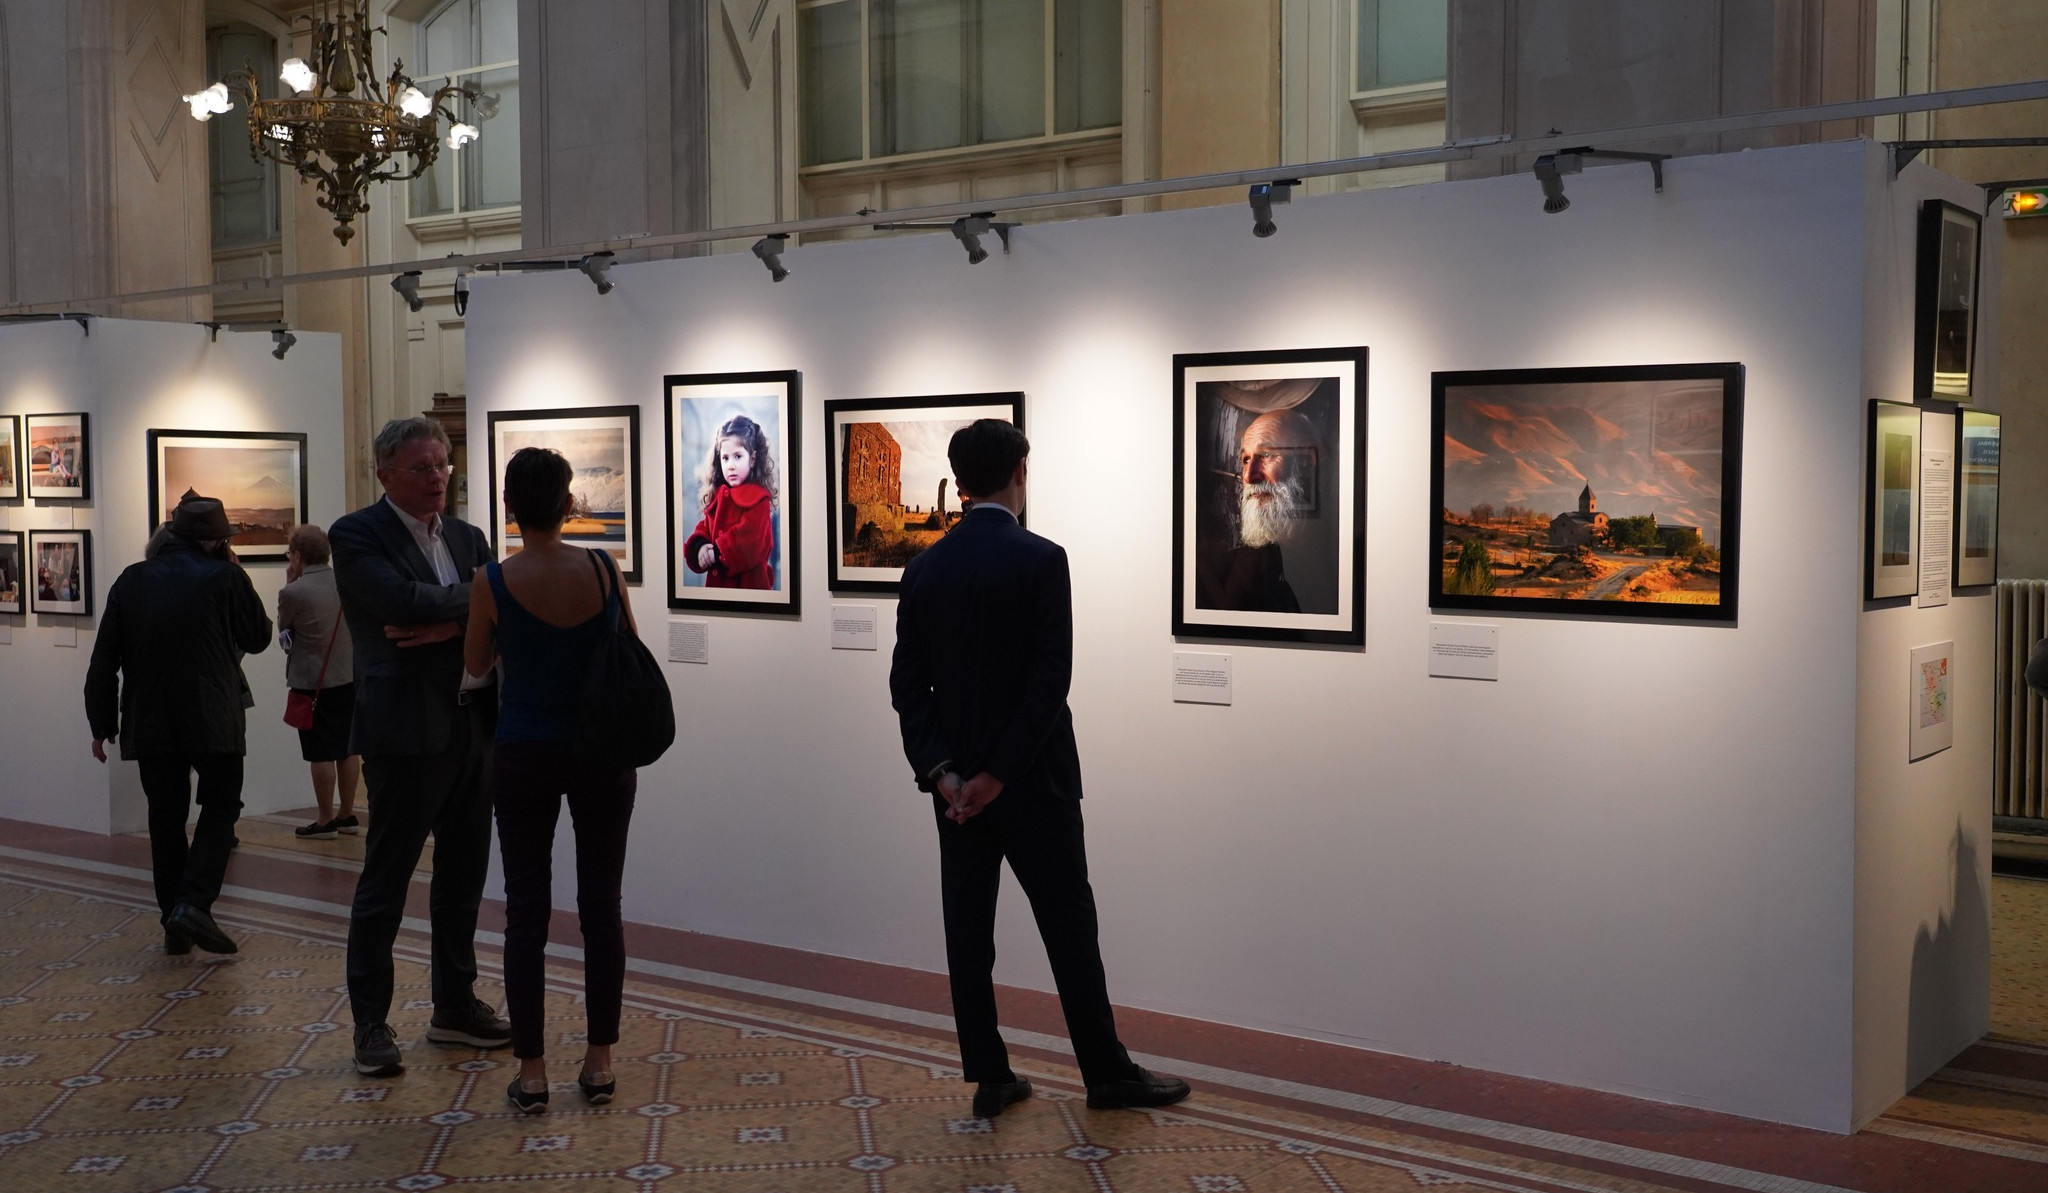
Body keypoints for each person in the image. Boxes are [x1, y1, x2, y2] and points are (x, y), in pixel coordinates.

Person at [889, 419, 1191, 1119]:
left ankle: (990, 1074)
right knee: (1068, 926)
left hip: (957, 794)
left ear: (959, 482)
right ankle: (1105, 1072)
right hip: (1036, 782)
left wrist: (945, 774)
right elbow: (1049, 681)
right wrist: (999, 773)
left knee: (968, 930)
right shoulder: (1042, 559)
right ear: (1020, 472)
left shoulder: (925, 568)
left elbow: (909, 687)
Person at [331, 417, 511, 1077]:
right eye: (422, 468)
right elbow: (400, 601)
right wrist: (472, 605)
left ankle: (454, 1005)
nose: (438, 478)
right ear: (386, 474)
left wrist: (448, 625)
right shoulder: (356, 534)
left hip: (472, 725)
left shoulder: (467, 536)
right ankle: (370, 1023)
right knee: (386, 881)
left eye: (442, 465)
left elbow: (502, 613)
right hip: (405, 732)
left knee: (463, 877)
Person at [464, 446, 639, 1114]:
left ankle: (533, 1072)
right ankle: (599, 1063)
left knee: (525, 911)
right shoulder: (603, 567)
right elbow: (630, 646)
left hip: (524, 752)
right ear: (569, 504)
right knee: (602, 905)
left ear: (509, 506)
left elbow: (476, 665)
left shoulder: (491, 580)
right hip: (600, 752)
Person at [83, 492, 271, 956]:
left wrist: (101, 723)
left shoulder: (132, 579)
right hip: (213, 716)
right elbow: (258, 637)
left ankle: (175, 924)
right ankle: (193, 904)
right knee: (221, 806)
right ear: (218, 541)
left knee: (165, 818)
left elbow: (104, 659)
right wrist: (237, 574)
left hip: (149, 719)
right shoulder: (226, 577)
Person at [277, 524, 361, 839]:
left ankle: (325, 819)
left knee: (320, 751)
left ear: (298, 556)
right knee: (348, 748)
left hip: (313, 682)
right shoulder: (347, 581)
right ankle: (347, 813)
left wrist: (289, 582)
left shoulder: (293, 592)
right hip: (348, 675)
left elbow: (285, 635)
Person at [1197, 408, 1319, 614]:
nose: (1248, 476)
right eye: (1246, 460)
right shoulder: (1243, 564)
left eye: (1266, 455)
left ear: (1307, 461)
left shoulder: (1337, 553)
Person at [682, 414, 777, 589]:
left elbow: (750, 539)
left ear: (752, 459)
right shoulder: (718, 497)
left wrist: (717, 553)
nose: (731, 465)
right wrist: (701, 547)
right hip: (718, 590)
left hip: (749, 590)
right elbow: (705, 528)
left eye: (738, 456)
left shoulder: (759, 499)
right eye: (725, 458)